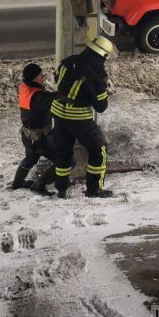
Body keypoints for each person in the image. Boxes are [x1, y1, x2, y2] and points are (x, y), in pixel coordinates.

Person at [51, 36, 116, 199]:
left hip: (58, 113)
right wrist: (106, 91)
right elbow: (101, 107)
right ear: (102, 56)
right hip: (79, 118)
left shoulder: (67, 61)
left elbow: (58, 79)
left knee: (63, 152)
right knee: (99, 149)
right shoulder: (96, 76)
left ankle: (61, 189)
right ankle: (94, 189)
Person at [12, 63, 58, 196]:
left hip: (27, 135)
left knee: (31, 158)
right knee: (65, 161)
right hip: (40, 138)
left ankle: (17, 183)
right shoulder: (37, 96)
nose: (43, 76)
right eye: (40, 74)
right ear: (33, 78)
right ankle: (40, 184)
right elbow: (52, 98)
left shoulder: (25, 87)